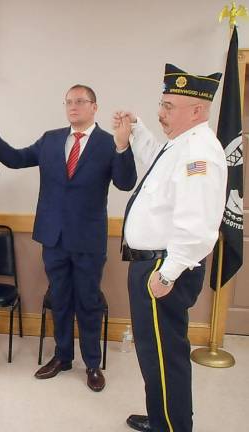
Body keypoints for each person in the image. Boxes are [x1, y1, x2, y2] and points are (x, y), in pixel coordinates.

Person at [0, 85, 137, 391]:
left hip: (88, 240)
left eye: (81, 102)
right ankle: (62, 356)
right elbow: (15, 159)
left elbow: (125, 183)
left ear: (94, 107)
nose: (74, 106)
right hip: (53, 237)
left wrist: (124, 147)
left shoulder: (109, 143)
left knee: (87, 302)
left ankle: (93, 365)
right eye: (69, 102)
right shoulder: (51, 139)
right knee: (59, 299)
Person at [113, 63, 227, 432]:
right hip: (154, 264)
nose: (161, 113)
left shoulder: (200, 154)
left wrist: (167, 273)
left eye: (169, 107)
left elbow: (198, 224)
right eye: (161, 105)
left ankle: (172, 427)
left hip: (164, 267)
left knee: (163, 354)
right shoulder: (181, 144)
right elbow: (155, 162)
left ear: (198, 110)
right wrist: (137, 128)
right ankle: (164, 416)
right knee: (154, 352)